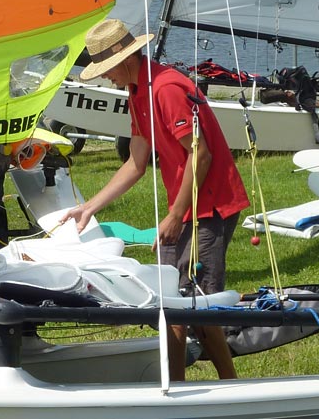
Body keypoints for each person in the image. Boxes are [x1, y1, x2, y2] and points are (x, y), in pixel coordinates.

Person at [60, 19, 249, 381]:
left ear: (124, 59)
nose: (104, 78)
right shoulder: (137, 91)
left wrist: (177, 214)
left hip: (208, 207)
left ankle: (230, 387)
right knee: (169, 299)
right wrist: (89, 207)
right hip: (184, 207)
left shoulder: (166, 88)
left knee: (199, 304)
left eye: (105, 70)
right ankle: (174, 385)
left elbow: (201, 155)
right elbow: (135, 163)